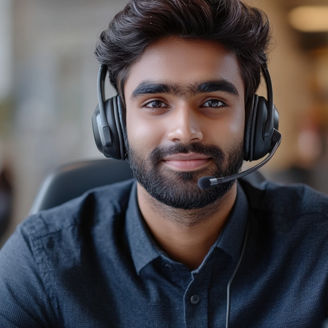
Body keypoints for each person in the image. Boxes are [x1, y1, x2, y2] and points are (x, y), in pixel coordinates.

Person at [0, 0, 327, 327]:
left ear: (255, 120)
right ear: (114, 123)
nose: (185, 131)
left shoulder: (318, 242)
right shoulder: (40, 260)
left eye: (213, 102)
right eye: (155, 103)